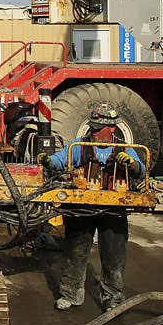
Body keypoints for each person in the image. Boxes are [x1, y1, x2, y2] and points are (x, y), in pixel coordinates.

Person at [40, 103, 145, 311]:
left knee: (113, 255)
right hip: (82, 209)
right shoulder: (80, 146)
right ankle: (70, 293)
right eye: (92, 128)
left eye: (98, 129)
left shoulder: (124, 149)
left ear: (112, 128)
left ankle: (113, 298)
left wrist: (131, 164)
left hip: (113, 210)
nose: (93, 132)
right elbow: (59, 161)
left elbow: (141, 172)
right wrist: (47, 161)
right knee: (75, 251)